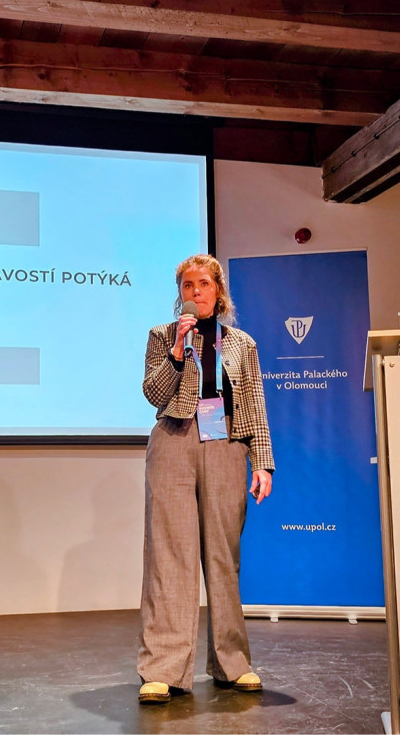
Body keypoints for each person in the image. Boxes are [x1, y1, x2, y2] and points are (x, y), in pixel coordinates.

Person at [137, 253, 274, 705]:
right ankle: (163, 669)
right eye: (187, 285)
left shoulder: (242, 343)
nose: (195, 292)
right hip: (174, 440)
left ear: (219, 291)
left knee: (222, 555)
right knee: (169, 556)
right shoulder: (162, 335)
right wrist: (178, 350)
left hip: (226, 443)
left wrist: (262, 462)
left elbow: (254, 404)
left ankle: (231, 662)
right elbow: (154, 393)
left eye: (203, 284)